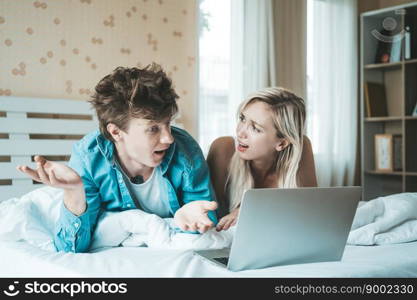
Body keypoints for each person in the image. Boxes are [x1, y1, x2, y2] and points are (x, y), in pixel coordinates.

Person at [17, 64, 218, 253]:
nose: (168, 137)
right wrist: (73, 193)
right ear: (116, 132)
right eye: (153, 128)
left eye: (168, 123)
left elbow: (207, 225)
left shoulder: (185, 150)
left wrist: (188, 220)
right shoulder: (88, 158)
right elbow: (70, 248)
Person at [207, 87, 317, 231]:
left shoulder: (301, 148)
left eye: (255, 128)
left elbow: (310, 212)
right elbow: (209, 212)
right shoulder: (223, 148)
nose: (240, 132)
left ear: (282, 143)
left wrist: (250, 211)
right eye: (242, 119)